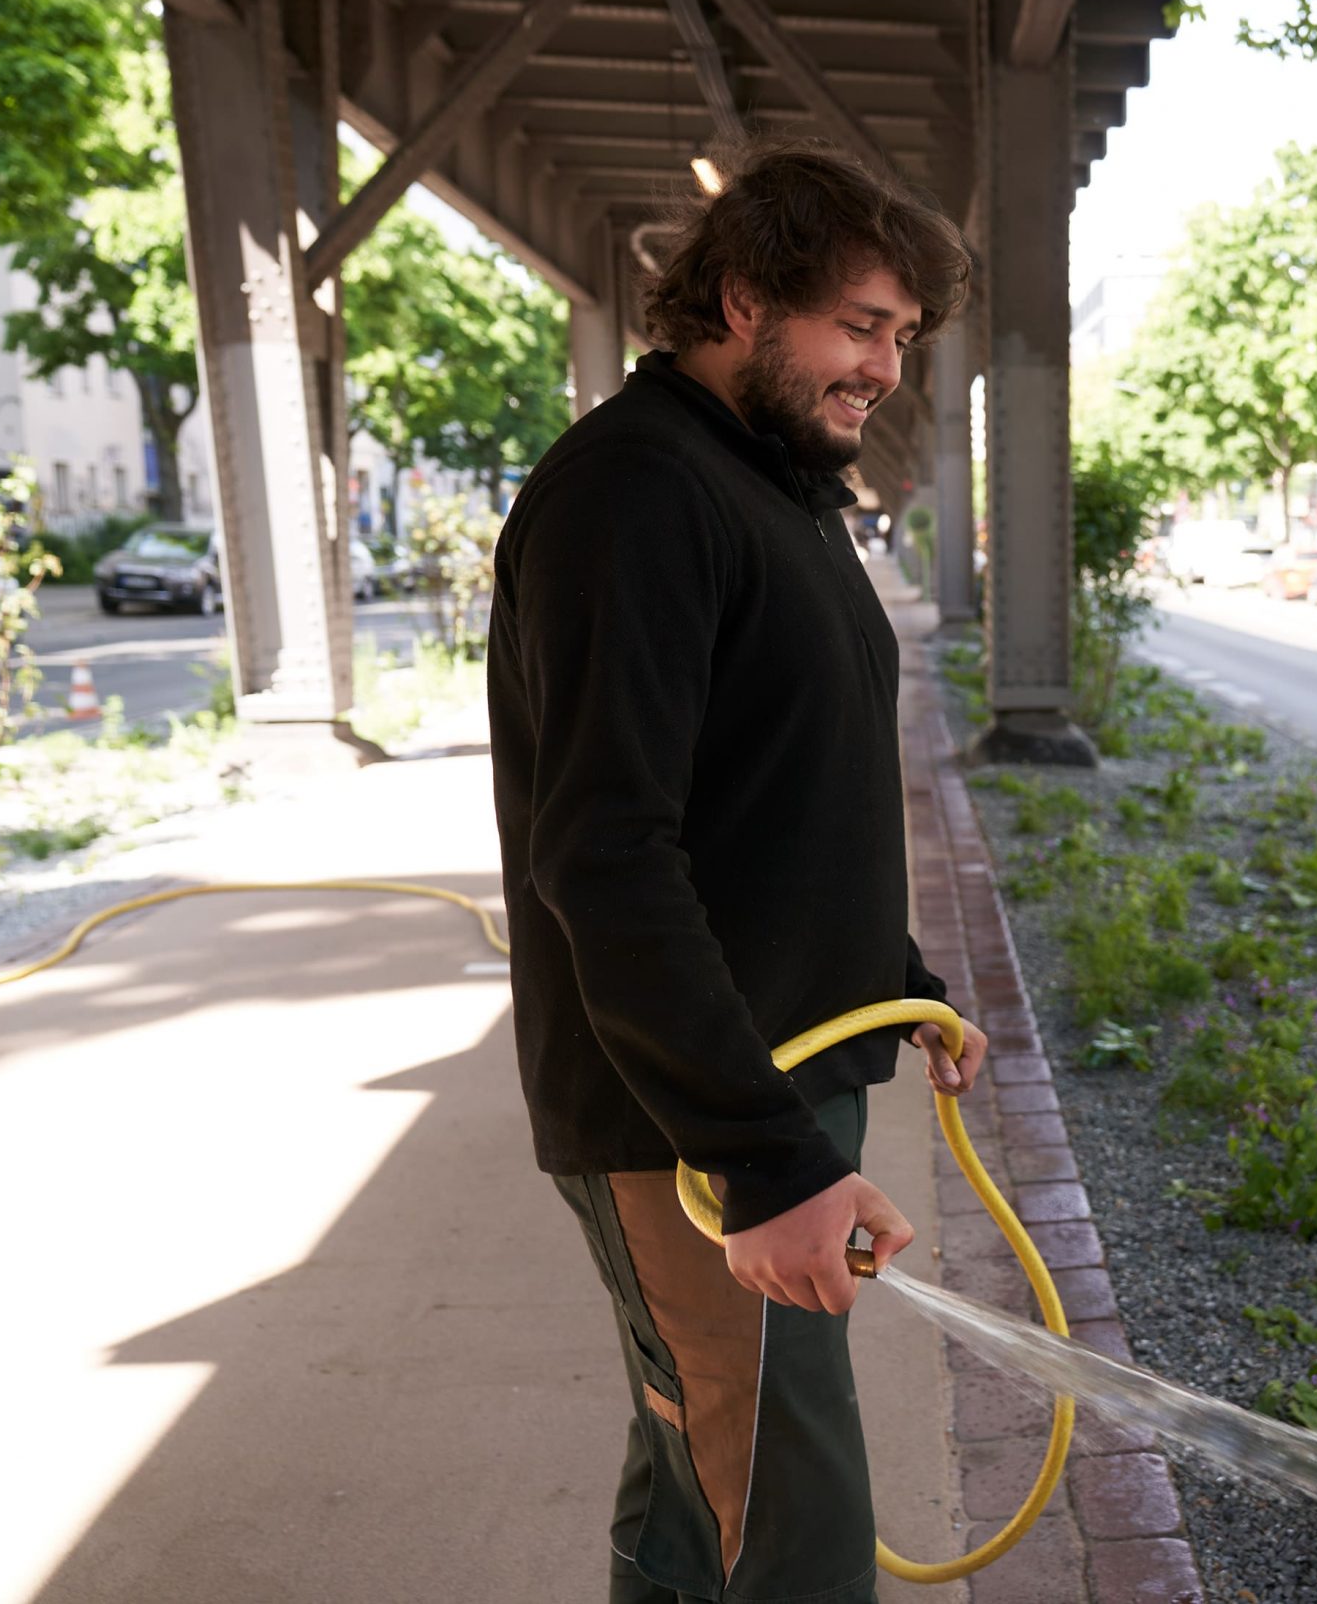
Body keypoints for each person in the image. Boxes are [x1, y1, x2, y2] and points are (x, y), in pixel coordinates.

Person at [487, 136, 985, 1604]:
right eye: (861, 325)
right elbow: (609, 850)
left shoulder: (766, 487)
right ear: (745, 301)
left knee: (705, 1476)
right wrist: (761, 1157)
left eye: (902, 337)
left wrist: (889, 982)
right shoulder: (632, 496)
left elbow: (765, 784)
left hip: (767, 1071)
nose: (886, 369)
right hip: (684, 1107)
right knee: (783, 1508)